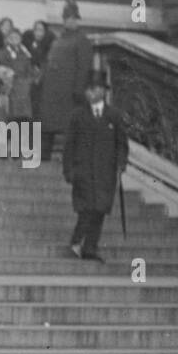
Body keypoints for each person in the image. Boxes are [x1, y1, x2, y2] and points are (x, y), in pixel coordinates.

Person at [63, 71, 127, 263]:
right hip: (83, 171)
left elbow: (121, 143)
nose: (91, 93)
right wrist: (68, 170)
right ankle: (76, 241)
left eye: (95, 89)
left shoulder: (113, 115)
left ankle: (90, 247)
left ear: (103, 91)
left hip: (105, 172)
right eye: (88, 90)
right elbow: (69, 146)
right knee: (86, 208)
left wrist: (121, 163)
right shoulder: (78, 115)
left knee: (99, 210)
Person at [40, 0, 92, 164]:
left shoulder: (82, 40)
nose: (70, 21)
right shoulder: (57, 40)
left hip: (68, 92)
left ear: (77, 20)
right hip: (51, 92)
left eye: (73, 18)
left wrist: (78, 88)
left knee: (69, 127)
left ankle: (70, 161)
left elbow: (84, 66)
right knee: (48, 126)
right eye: (67, 18)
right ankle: (44, 159)